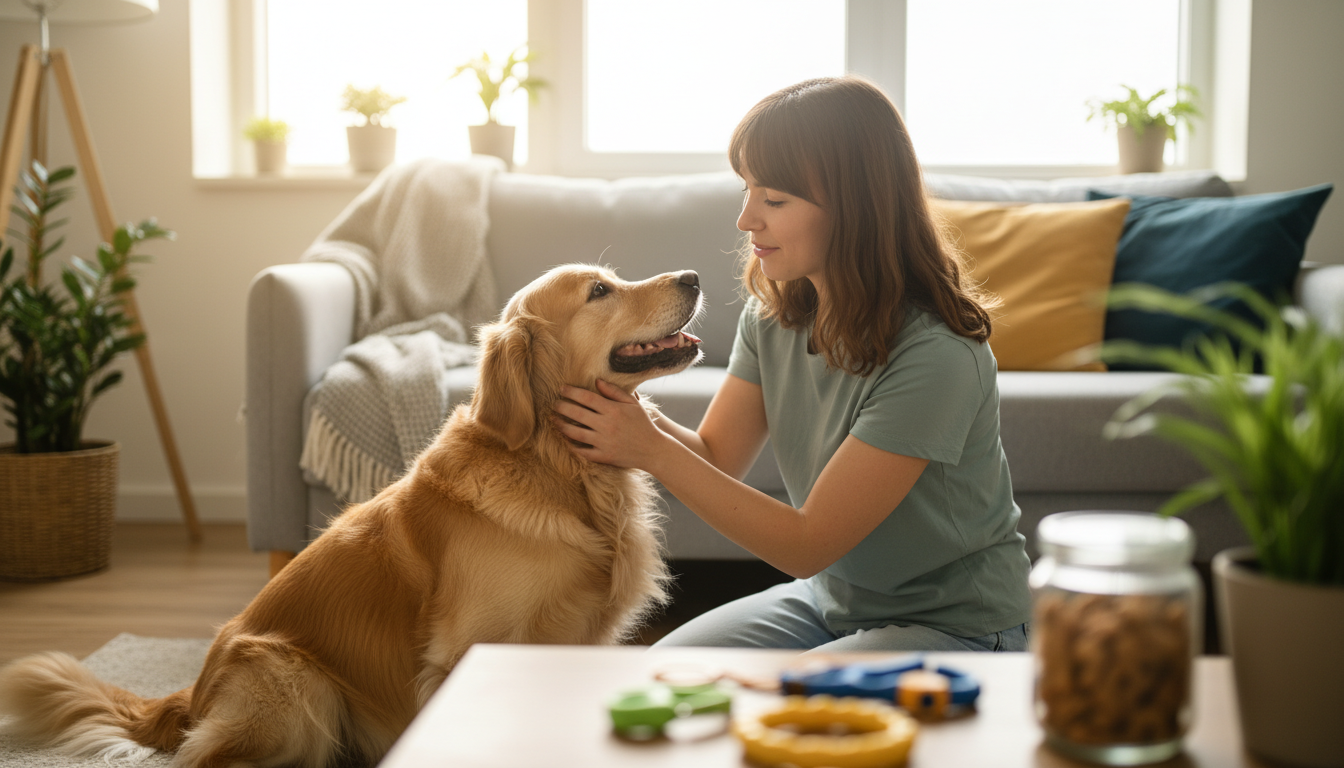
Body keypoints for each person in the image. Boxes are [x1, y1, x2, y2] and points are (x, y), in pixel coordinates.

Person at [552, 76, 1032, 653]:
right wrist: (621, 413)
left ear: (856, 209)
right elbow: (716, 457)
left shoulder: (938, 356)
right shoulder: (775, 316)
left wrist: (647, 447)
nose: (746, 218)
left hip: (956, 624)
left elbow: (807, 545)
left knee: (784, 714)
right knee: (664, 671)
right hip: (830, 602)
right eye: (747, 190)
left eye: (774, 200)